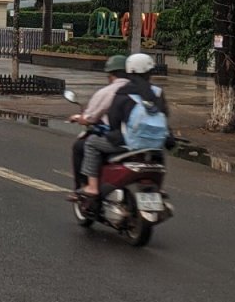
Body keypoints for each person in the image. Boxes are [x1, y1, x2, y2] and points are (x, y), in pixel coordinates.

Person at [81, 51, 169, 200]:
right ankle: (159, 189)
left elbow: (114, 120)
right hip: (156, 144)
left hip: (129, 143)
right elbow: (165, 116)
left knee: (91, 143)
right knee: (159, 157)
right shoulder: (158, 92)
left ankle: (92, 187)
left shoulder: (124, 92)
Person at [70, 54, 128, 193]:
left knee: (83, 145)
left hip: (123, 139)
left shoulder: (108, 92)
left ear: (110, 74)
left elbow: (90, 117)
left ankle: (88, 186)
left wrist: (79, 118)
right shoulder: (145, 90)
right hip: (146, 141)